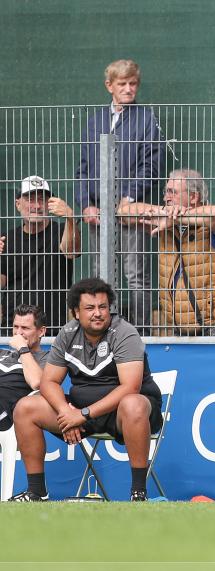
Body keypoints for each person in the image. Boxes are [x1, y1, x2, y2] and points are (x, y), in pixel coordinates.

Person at [10, 278, 162, 501]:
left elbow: (131, 386)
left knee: (134, 403)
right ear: (76, 312)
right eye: (89, 308)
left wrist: (82, 415)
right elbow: (49, 382)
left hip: (122, 412)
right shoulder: (68, 333)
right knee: (25, 408)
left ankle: (138, 492)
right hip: (80, 411)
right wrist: (66, 412)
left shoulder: (125, 332)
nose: (97, 313)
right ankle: (36, 492)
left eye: (102, 307)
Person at [75, 59, 163, 333]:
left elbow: (151, 163)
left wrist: (130, 196)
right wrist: (86, 205)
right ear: (109, 86)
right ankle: (103, 332)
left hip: (130, 208)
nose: (128, 89)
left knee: (136, 275)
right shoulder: (95, 120)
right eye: (122, 84)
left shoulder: (145, 118)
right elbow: (83, 166)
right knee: (101, 276)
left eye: (133, 83)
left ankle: (140, 334)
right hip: (99, 211)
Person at [121, 169, 215, 335]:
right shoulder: (165, 220)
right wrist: (165, 213)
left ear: (193, 197)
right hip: (180, 327)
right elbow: (123, 212)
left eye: (173, 192)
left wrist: (175, 217)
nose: (166, 197)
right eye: (166, 191)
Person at [0, 176, 81, 334]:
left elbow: (72, 252)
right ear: (18, 204)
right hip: (15, 327)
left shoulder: (62, 230)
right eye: (30, 199)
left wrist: (70, 217)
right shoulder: (7, 239)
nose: (36, 206)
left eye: (42, 200)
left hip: (52, 328)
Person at [0, 305, 49, 434]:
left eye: (25, 328)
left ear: (41, 331)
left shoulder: (47, 358)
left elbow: (37, 383)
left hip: (6, 416)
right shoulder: (2, 353)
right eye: (16, 327)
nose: (18, 333)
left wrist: (22, 348)